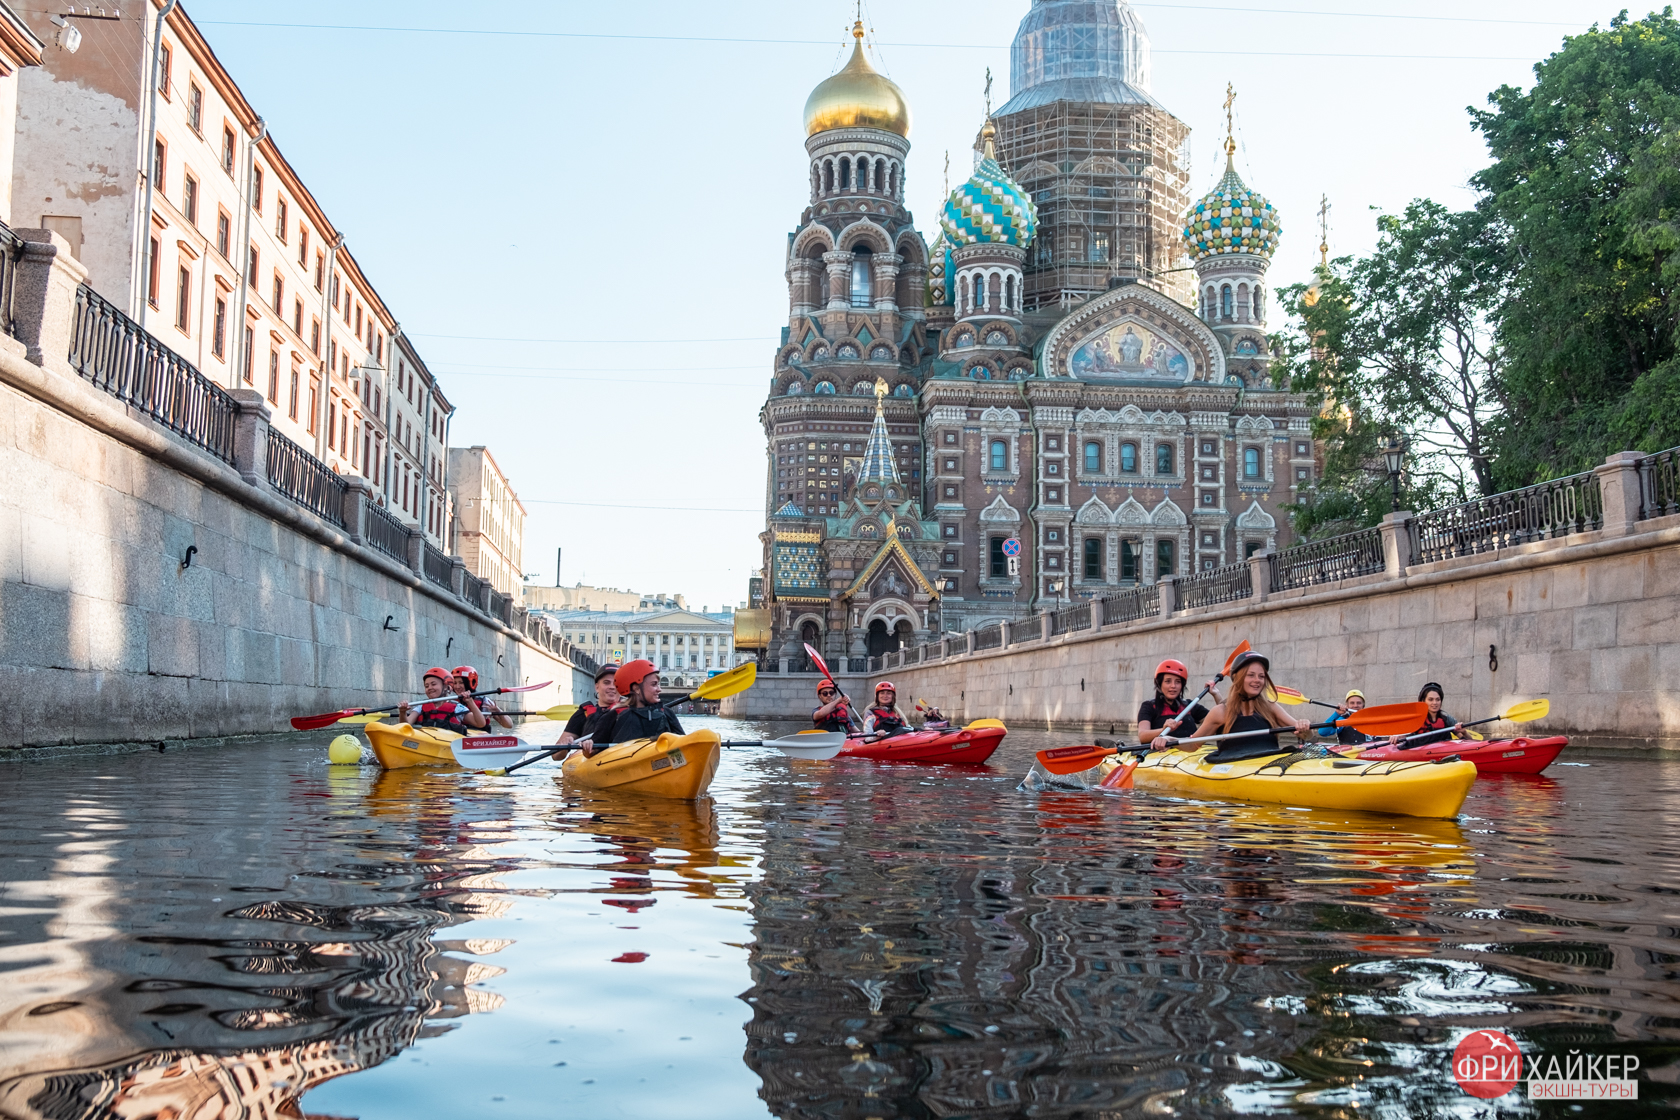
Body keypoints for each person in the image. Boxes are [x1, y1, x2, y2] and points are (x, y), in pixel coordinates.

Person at [1163, 651, 1312, 762]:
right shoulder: (1220, 712)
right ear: (1239, 678)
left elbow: (1306, 735)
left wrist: (1304, 728)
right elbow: (1193, 745)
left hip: (1269, 764)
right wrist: (1169, 740)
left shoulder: (1270, 708)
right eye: (1251, 675)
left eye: (1261, 676)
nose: (1257, 680)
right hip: (1231, 766)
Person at [593, 659, 684, 747]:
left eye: (658, 684)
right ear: (636, 688)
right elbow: (592, 751)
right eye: (653, 684)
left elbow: (683, 743)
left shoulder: (667, 713)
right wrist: (588, 746)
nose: (659, 689)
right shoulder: (614, 715)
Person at [1136, 658, 1220, 746]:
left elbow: (1220, 722)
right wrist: (1163, 730)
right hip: (1163, 754)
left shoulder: (1190, 706)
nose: (1173, 686)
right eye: (1168, 681)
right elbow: (1143, 736)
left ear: (1182, 685)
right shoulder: (1149, 706)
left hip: (1192, 752)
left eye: (1178, 682)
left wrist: (1216, 694)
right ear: (1159, 684)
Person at [398, 666, 489, 734]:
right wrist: (402, 712)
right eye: (426, 686)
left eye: (433, 684)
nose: (430, 688)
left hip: (448, 744)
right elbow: (405, 725)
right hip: (426, 741)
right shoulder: (420, 707)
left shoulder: (457, 708)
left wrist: (470, 702)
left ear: (446, 687)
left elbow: (480, 724)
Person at [557, 664, 621, 751]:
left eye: (616, 683)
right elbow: (556, 756)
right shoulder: (583, 714)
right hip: (587, 760)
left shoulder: (630, 713)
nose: (612, 687)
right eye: (606, 682)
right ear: (597, 687)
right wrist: (565, 745)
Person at [1389, 681, 1463, 748]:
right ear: (1423, 701)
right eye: (1430, 700)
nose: (1435, 703)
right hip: (1421, 756)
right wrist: (1397, 736)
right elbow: (1404, 733)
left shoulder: (1446, 719)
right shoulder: (1416, 720)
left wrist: (1464, 732)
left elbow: (1466, 740)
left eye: (1438, 699)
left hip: (1443, 756)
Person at [453, 665, 513, 731]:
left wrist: (498, 710)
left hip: (480, 737)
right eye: (455, 683)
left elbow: (509, 725)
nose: (457, 686)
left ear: (470, 683)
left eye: (461, 683)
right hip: (459, 736)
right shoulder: (452, 702)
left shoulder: (484, 702)